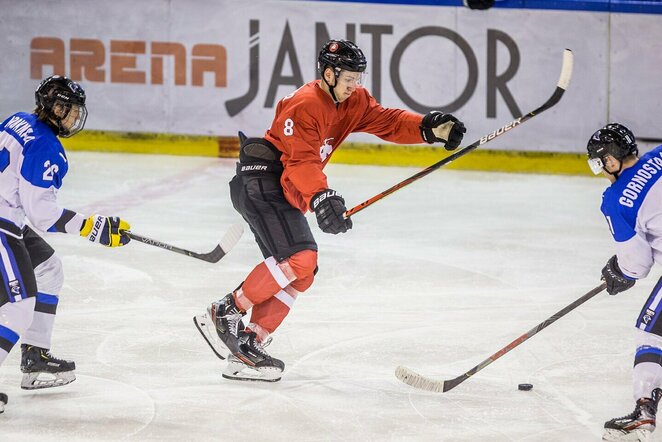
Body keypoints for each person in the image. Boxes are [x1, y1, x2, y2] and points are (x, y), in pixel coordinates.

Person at [194, 39, 466, 382]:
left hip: (282, 188)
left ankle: (248, 346)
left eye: (358, 79)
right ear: (328, 73)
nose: (356, 86)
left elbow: (388, 121)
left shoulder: (354, 101)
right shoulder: (304, 104)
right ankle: (225, 311)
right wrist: (321, 196)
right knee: (300, 258)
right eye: (350, 78)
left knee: (302, 272)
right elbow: (300, 163)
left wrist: (428, 128)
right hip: (262, 182)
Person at [0, 75, 131, 413]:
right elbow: (42, 215)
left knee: (49, 269)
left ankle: (35, 357)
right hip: (2, 225)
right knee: (18, 307)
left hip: (7, 216)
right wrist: (95, 227)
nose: (75, 118)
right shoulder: (46, 145)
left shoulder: (19, 119)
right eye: (71, 111)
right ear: (56, 108)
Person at [587, 123, 662, 441]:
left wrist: (619, 271)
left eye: (597, 163)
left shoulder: (616, 200)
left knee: (650, 334)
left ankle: (643, 412)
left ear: (610, 160)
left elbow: (637, 265)